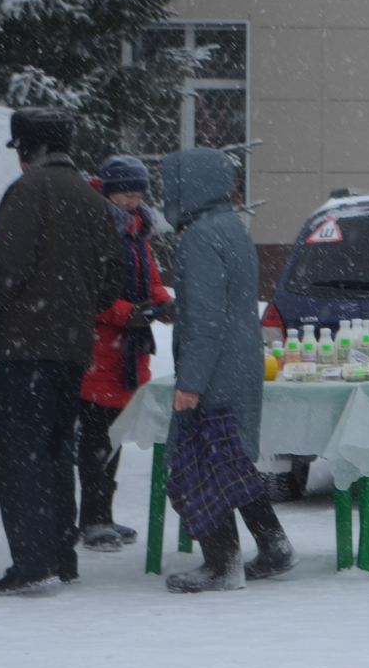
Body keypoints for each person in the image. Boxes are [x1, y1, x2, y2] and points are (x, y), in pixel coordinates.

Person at [0, 109, 123, 595]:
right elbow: (111, 282)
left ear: (27, 149)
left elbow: (3, 269)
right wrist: (75, 311)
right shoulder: (91, 197)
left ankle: (31, 562)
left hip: (24, 348)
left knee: (22, 455)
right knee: (59, 451)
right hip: (72, 349)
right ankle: (61, 554)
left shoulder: (28, 192)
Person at [159, 147, 293, 592]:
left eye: (170, 185)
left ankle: (222, 564)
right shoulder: (230, 227)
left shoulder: (200, 236)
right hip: (239, 362)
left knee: (200, 464)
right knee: (231, 461)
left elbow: (206, 317)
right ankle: (274, 546)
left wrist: (191, 382)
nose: (165, 195)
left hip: (214, 369)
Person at [75, 156, 172, 553]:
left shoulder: (136, 230)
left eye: (138, 195)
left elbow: (151, 277)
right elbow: (86, 291)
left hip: (125, 351)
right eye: (127, 194)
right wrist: (124, 314)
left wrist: (163, 303)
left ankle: (103, 515)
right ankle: (93, 520)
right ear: (110, 190)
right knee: (96, 440)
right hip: (99, 351)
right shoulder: (96, 227)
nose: (134, 201)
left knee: (111, 440)